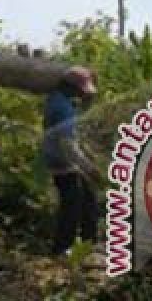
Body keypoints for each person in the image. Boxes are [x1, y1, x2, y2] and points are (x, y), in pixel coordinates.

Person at [43, 66, 103, 257]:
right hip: (65, 164)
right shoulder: (63, 109)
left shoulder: (57, 100)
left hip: (59, 160)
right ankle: (62, 249)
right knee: (72, 207)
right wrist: (88, 167)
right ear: (71, 87)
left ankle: (86, 244)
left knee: (86, 201)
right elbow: (68, 144)